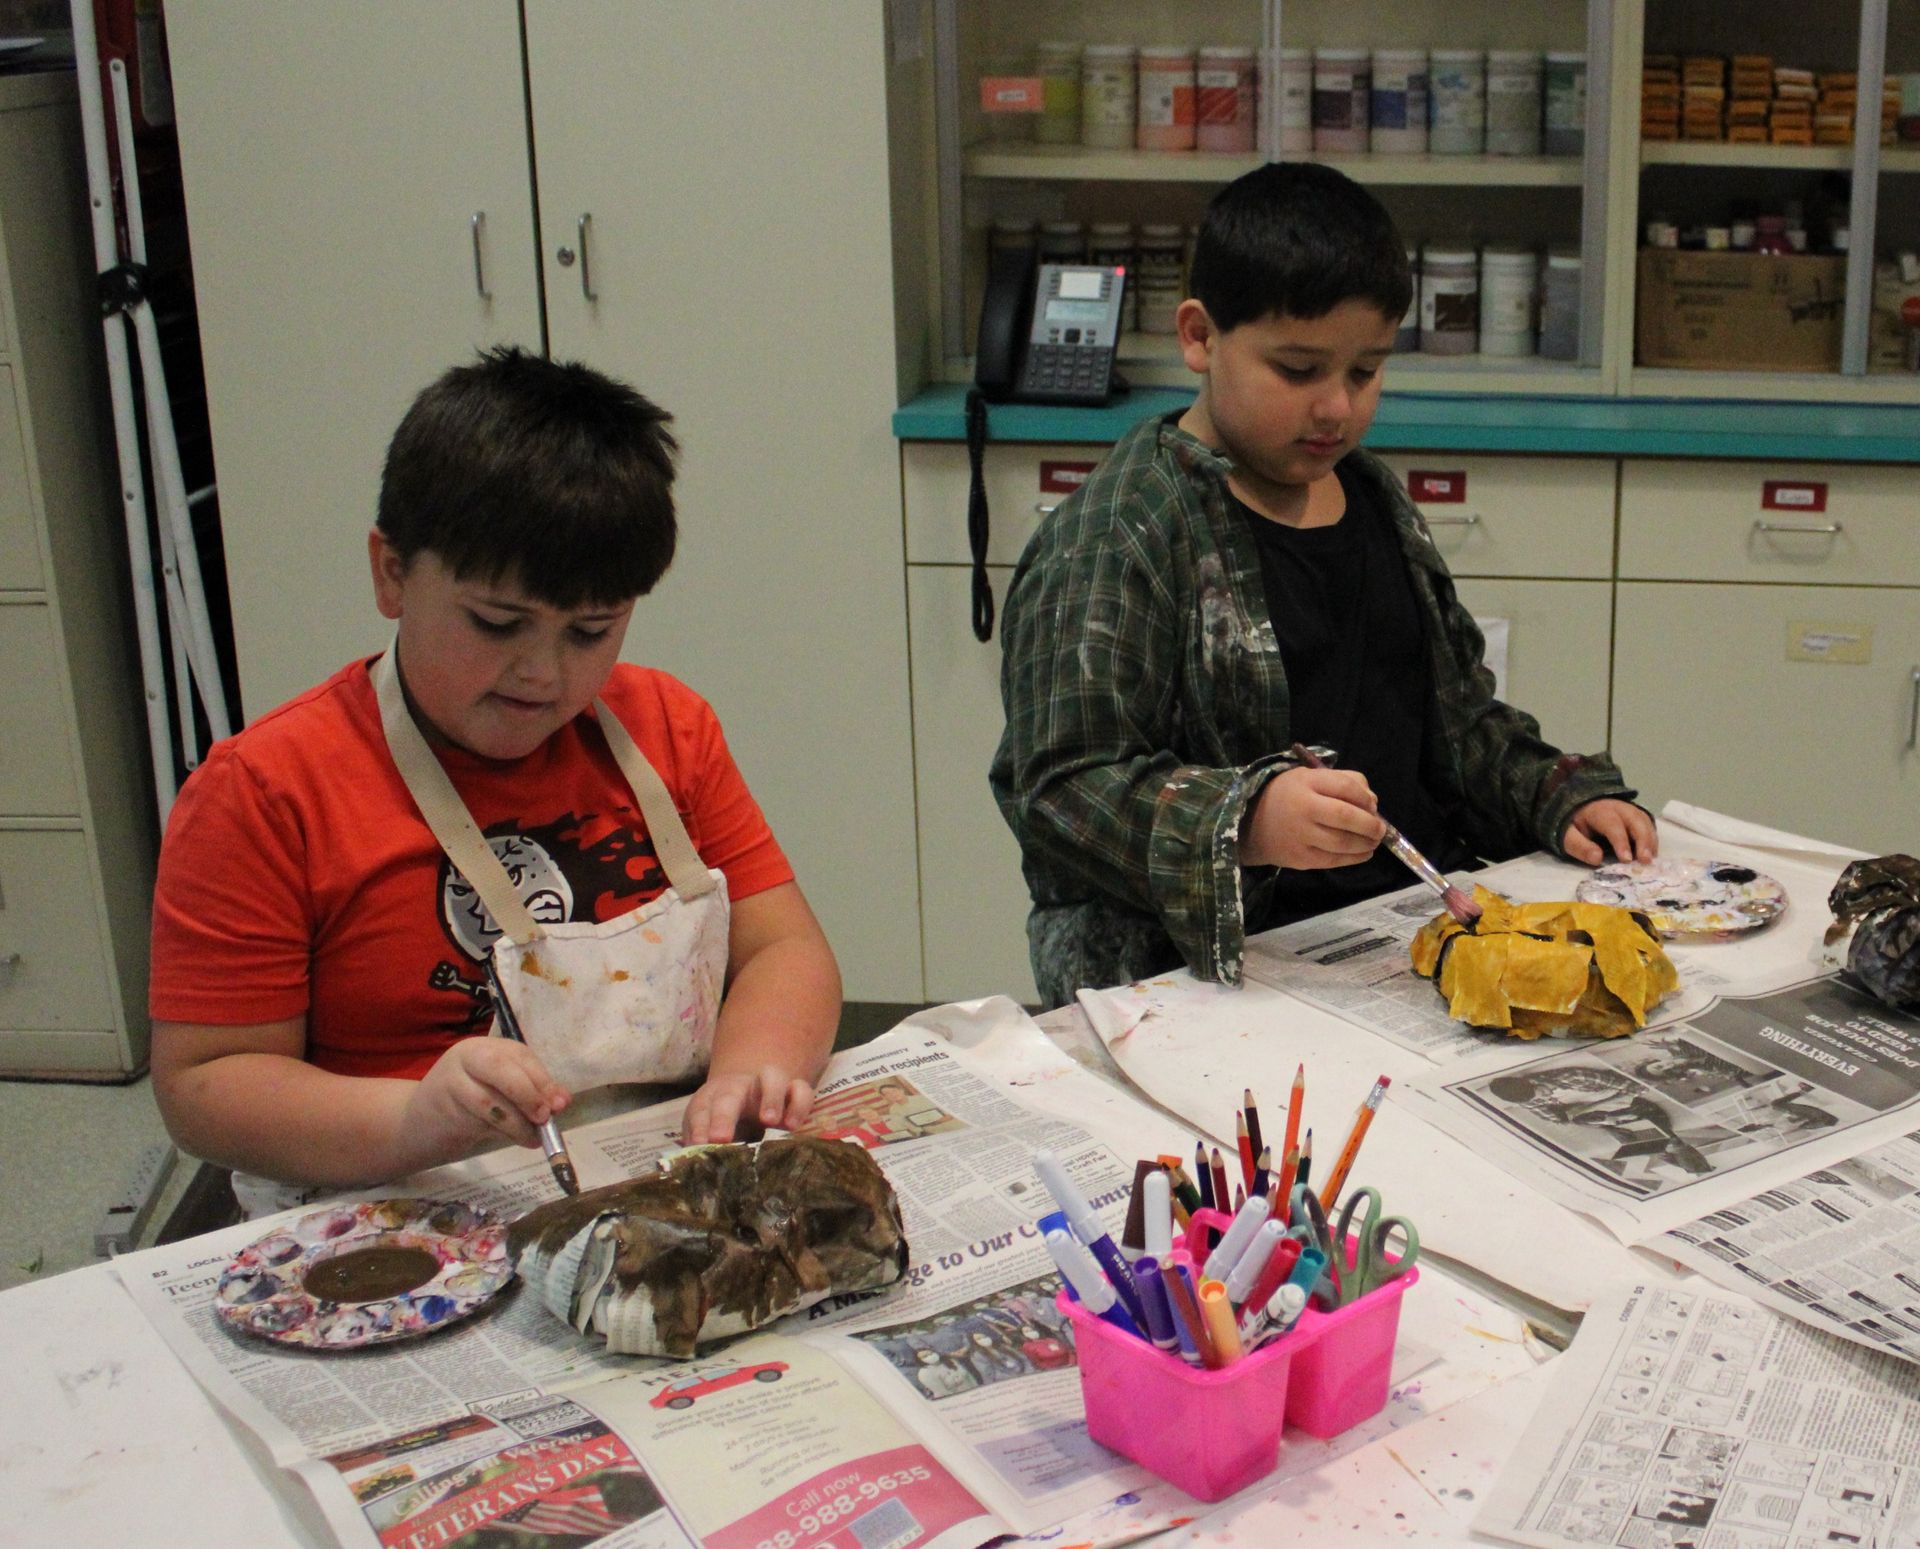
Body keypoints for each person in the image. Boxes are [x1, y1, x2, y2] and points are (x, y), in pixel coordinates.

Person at [150, 348, 841, 1211]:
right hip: (397, 1194)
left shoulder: (668, 728)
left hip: (648, 1174)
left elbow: (785, 950)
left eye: (591, 631)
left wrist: (751, 1069)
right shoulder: (266, 792)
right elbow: (205, 1084)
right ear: (392, 573)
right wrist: (413, 1118)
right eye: (497, 623)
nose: (543, 673)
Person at [990, 162, 1656, 1007]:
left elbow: (1454, 724)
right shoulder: (1118, 535)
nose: (1337, 407)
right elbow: (1059, 787)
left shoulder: (1373, 499)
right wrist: (1243, 822)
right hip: (1205, 977)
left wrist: (1553, 793)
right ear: (1199, 337)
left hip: (1396, 932)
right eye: (1299, 370)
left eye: (1365, 372)